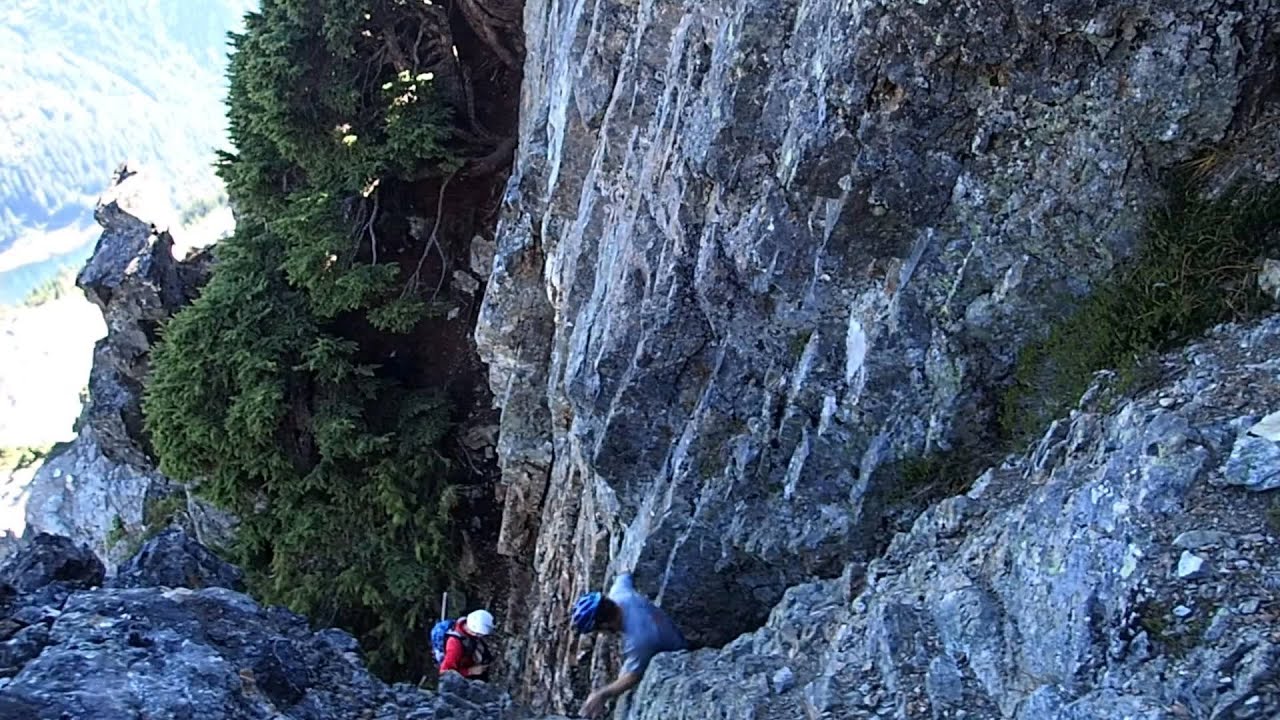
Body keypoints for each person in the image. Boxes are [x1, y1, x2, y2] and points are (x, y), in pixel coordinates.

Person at [570, 573, 687, 718]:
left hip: (677, 656)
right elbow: (624, 575)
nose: (600, 634)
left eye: (598, 630)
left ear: (605, 624)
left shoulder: (639, 641)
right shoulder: (619, 592)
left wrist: (601, 694)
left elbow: (632, 676)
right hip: (667, 628)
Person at [433, 609, 495, 679]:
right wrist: (470, 671)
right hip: (465, 675)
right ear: (474, 632)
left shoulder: (464, 624)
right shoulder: (454, 646)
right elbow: (444, 672)